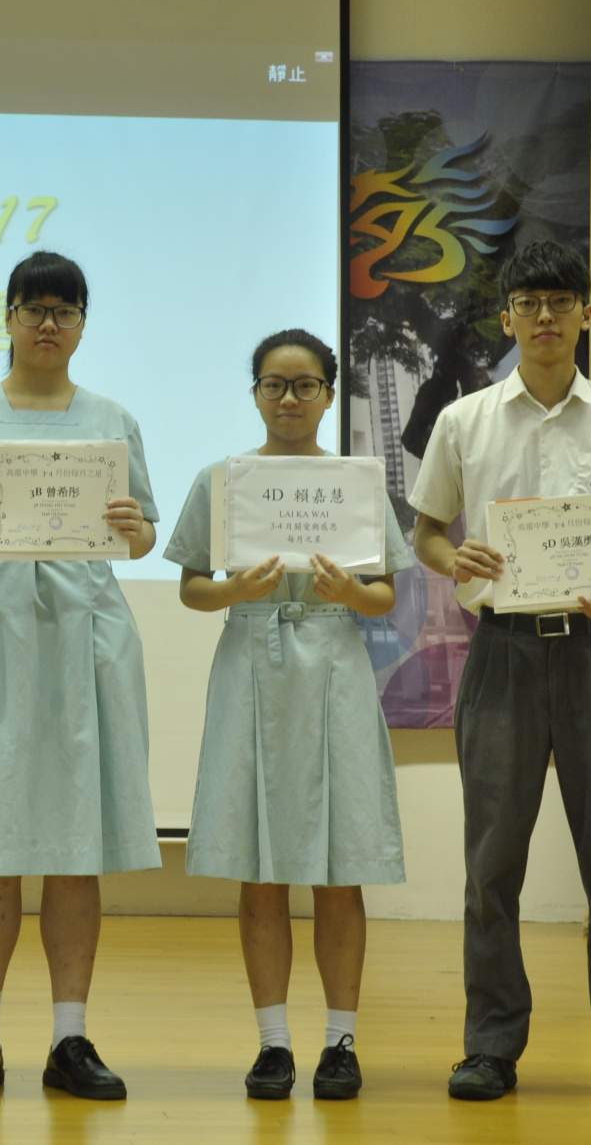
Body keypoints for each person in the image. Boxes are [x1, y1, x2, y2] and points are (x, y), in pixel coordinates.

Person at [407, 240, 591, 1110]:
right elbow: (427, 532)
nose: (545, 316)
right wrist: (455, 558)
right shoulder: (466, 420)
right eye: (528, 303)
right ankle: (490, 1046)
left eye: (561, 301)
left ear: (586, 313)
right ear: (507, 318)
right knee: (492, 860)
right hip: (505, 653)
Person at [0, 251, 160, 1102]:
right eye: (33, 308)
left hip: (85, 635)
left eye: (64, 310)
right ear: (8, 316)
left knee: (75, 846)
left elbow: (143, 537)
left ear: (83, 323)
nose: (48, 323)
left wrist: (128, 523)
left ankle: (69, 1038)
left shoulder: (113, 419)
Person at [164, 329, 413, 1102]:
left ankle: (341, 1041)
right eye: (274, 384)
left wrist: (350, 593)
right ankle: (273, 1043)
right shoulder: (223, 480)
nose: (289, 398)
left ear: (329, 394)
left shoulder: (354, 484)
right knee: (260, 865)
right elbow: (191, 586)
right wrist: (234, 590)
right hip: (252, 664)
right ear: (255, 394)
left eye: (305, 385)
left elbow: (385, 594)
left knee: (340, 866)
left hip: (333, 666)